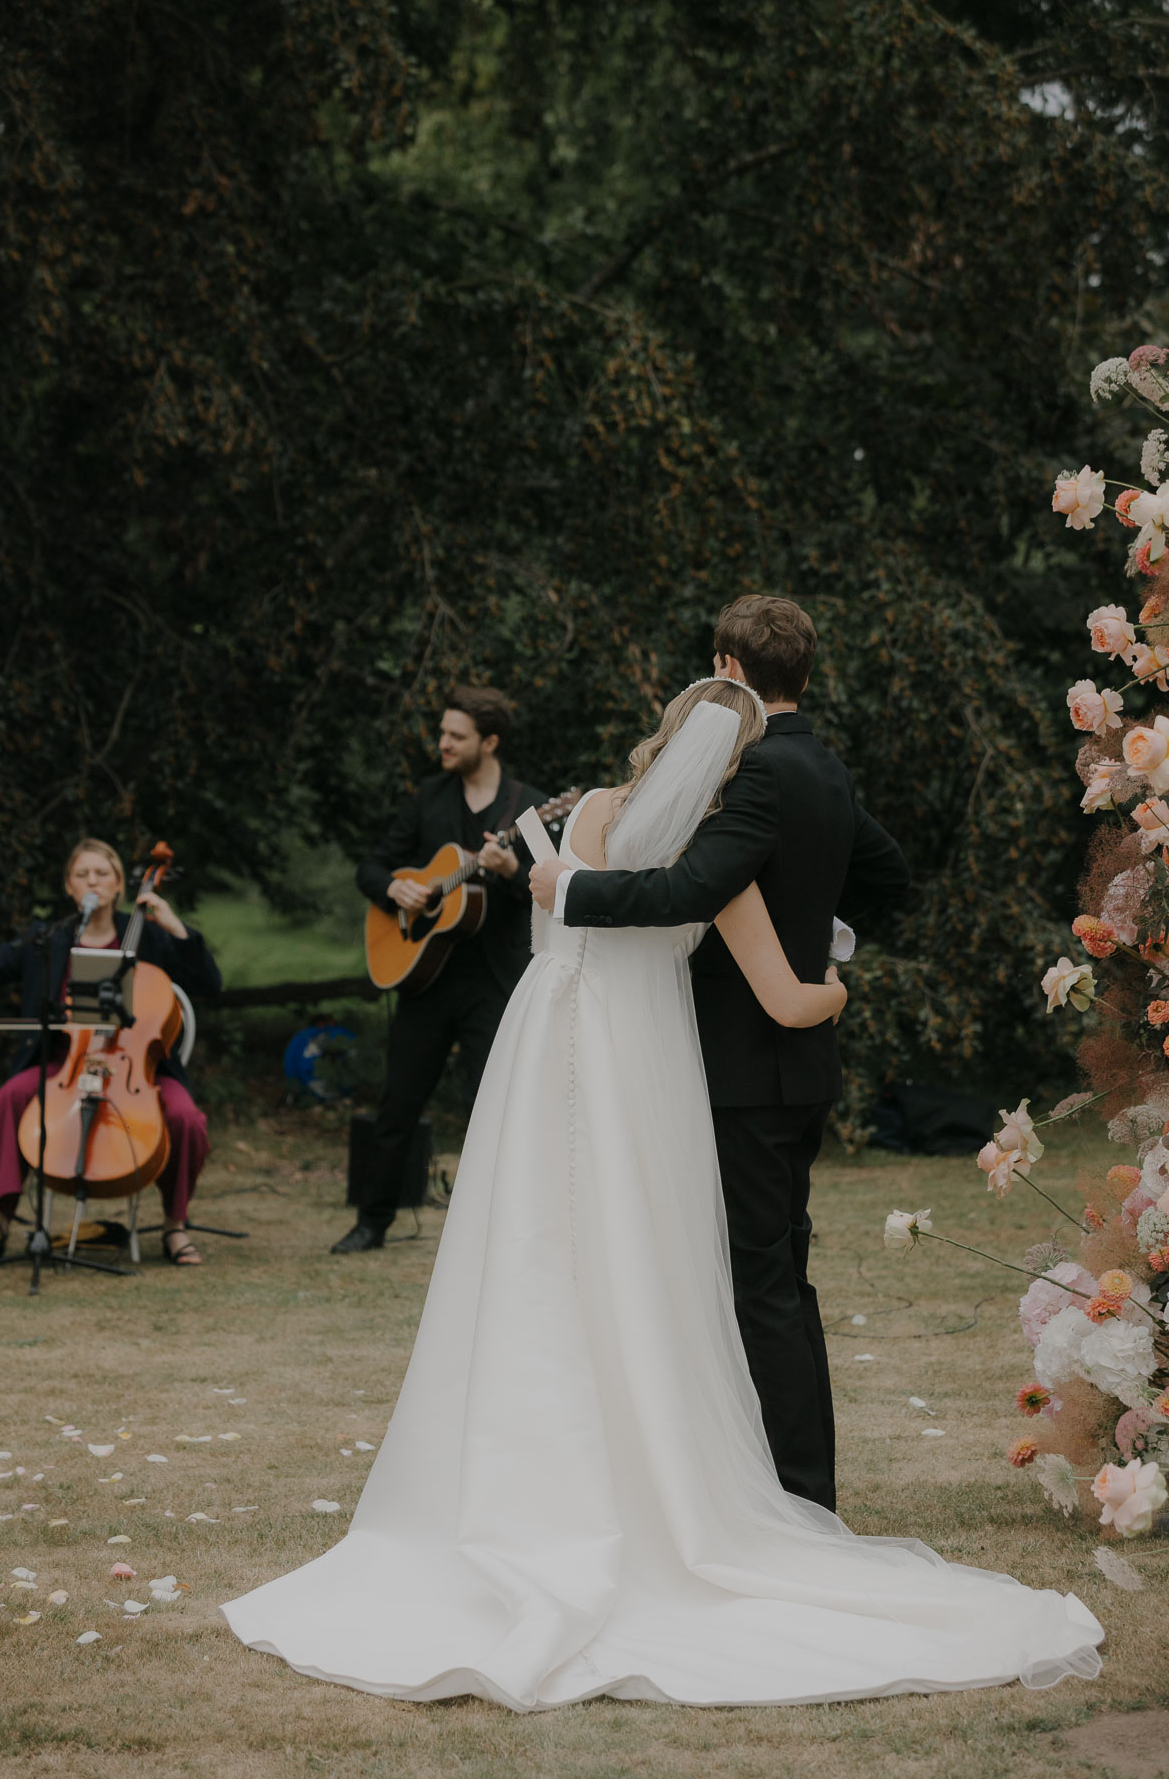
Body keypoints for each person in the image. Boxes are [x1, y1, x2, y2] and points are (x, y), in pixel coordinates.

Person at [222, 677, 1101, 1709]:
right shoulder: (706, 864)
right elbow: (786, 990)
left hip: (542, 1045)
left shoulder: (586, 810)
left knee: (532, 1251)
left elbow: (573, 897)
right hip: (640, 1071)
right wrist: (836, 981)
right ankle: (679, 1489)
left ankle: (498, 1487)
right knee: (642, 1263)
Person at [529, 596, 909, 1513]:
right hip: (794, 1064)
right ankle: (796, 1487)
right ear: (805, 672)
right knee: (781, 1276)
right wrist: (816, 940)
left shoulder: (761, 772)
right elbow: (888, 879)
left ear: (725, 667)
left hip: (750, 1070)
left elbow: (695, 886)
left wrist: (569, 892)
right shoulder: (823, 765)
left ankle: (801, 1496)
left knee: (763, 1287)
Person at [331, 685, 543, 1253]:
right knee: (399, 1102)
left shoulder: (531, 807)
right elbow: (371, 866)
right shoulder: (428, 797)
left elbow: (553, 897)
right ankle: (372, 1221)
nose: (442, 743)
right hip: (425, 980)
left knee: (492, 1108)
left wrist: (509, 870)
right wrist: (392, 886)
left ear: (489, 742)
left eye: (456, 736)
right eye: (443, 732)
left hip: (495, 984)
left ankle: (495, 1231)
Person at [0, 837, 222, 1268]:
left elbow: (209, 984)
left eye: (102, 873)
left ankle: (175, 1225)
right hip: (63, 1063)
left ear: (120, 883)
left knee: (186, 1119)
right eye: (82, 874)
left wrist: (174, 924)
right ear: (69, 887)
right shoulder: (46, 940)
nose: (93, 881)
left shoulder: (149, 939)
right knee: (9, 1098)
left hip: (139, 1067)